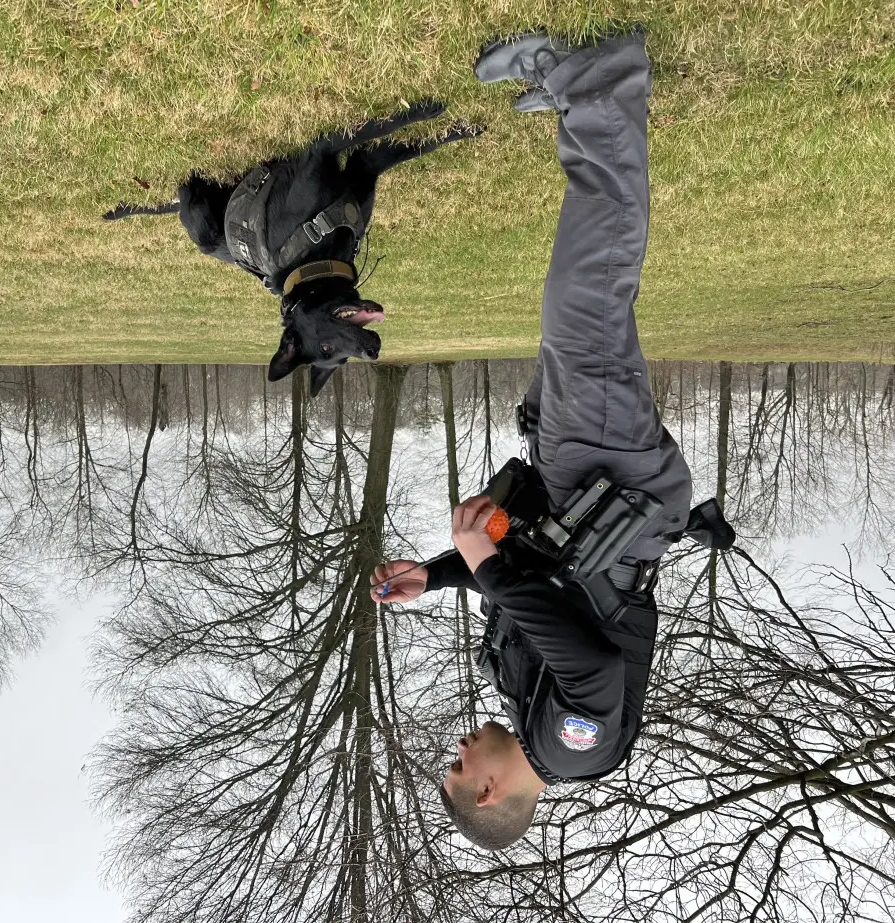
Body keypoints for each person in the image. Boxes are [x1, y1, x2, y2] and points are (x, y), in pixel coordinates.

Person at [370, 28, 703, 852]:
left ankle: (583, 106)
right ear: (488, 789)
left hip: (577, 481)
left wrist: (443, 575)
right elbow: (588, 662)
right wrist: (482, 565)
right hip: (610, 487)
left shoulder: (523, 707)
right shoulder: (571, 749)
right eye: (457, 766)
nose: (457, 749)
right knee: (587, 293)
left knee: (580, 304)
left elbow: (524, 586)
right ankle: (602, 84)